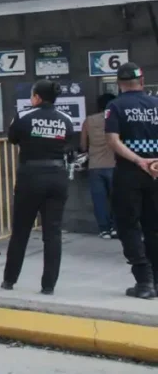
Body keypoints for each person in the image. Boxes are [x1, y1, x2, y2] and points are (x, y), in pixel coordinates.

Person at [1, 80, 75, 295]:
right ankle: (48, 285)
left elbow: (12, 138)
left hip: (30, 177)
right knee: (52, 233)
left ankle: (9, 280)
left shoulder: (24, 116)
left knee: (21, 230)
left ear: (37, 98)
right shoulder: (66, 119)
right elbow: (69, 142)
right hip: (57, 177)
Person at [105, 62, 158, 299]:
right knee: (154, 227)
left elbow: (113, 141)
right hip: (156, 171)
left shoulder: (115, 106)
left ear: (119, 83)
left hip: (129, 172)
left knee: (128, 226)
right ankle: (156, 280)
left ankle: (144, 282)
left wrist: (138, 161)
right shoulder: (156, 104)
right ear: (142, 81)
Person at [82, 93, 117, 239]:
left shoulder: (89, 121)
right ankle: (116, 227)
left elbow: (83, 145)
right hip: (115, 164)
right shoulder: (116, 119)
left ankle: (104, 230)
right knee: (117, 198)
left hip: (95, 165)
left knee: (99, 200)